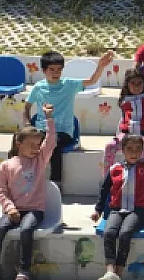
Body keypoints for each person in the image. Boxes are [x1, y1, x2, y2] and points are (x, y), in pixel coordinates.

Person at [0, 104, 56, 280]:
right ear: (19, 143)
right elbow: (1, 191)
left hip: (34, 209)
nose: (36, 149)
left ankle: (24, 272)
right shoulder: (5, 165)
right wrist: (10, 208)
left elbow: (51, 141)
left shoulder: (40, 161)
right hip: (13, 209)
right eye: (31, 145)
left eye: (38, 145)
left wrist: (49, 119)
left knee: (26, 229)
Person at [25, 50, 113, 184]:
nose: (56, 73)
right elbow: (27, 107)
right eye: (52, 69)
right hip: (42, 129)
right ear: (43, 71)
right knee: (23, 143)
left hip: (63, 131)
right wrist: (27, 124)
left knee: (52, 143)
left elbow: (92, 80)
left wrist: (100, 66)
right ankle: (22, 178)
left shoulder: (69, 84)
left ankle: (56, 182)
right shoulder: (38, 87)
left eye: (59, 69)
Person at [92, 134, 144, 280]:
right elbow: (104, 190)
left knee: (125, 233)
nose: (134, 153)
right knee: (109, 232)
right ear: (122, 150)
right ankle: (110, 270)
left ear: (142, 152)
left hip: (137, 211)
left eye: (138, 149)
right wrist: (98, 210)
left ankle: (119, 271)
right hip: (117, 210)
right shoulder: (115, 169)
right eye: (130, 149)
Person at [102, 69, 144, 173]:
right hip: (127, 135)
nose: (136, 86)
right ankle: (108, 178)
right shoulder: (125, 100)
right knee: (110, 146)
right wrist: (118, 136)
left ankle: (139, 175)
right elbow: (123, 120)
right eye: (133, 83)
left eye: (139, 83)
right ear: (127, 84)